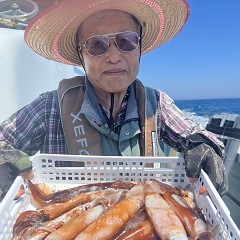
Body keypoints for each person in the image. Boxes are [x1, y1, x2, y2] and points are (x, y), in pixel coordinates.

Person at [0, 0, 227, 200]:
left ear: (139, 48)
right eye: (96, 44)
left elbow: (198, 138)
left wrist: (204, 148)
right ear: (81, 56)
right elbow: (4, 141)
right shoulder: (49, 107)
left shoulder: (157, 103)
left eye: (126, 41)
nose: (114, 56)